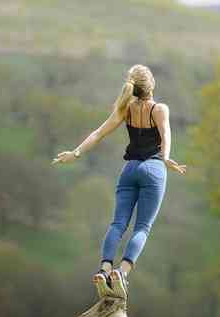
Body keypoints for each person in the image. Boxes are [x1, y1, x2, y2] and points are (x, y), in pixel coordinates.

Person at [51, 64, 187, 297]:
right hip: (153, 169)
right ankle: (121, 272)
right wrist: (165, 159)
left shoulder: (126, 109)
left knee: (118, 224)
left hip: (130, 170)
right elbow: (166, 135)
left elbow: (98, 133)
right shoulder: (160, 109)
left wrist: (75, 153)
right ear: (152, 85)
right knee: (142, 227)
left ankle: (104, 269)